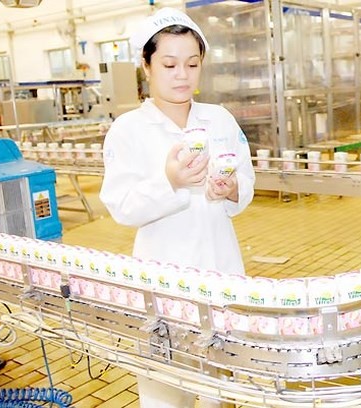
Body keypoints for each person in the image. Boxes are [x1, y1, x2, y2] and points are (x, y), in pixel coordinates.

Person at [99, 7, 255, 408]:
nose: (182, 74)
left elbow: (247, 180)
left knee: (220, 389)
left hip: (220, 268)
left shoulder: (219, 119)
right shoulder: (128, 130)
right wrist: (171, 183)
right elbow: (123, 206)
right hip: (162, 278)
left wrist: (231, 188)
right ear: (146, 66)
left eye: (192, 63)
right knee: (166, 392)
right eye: (169, 64)